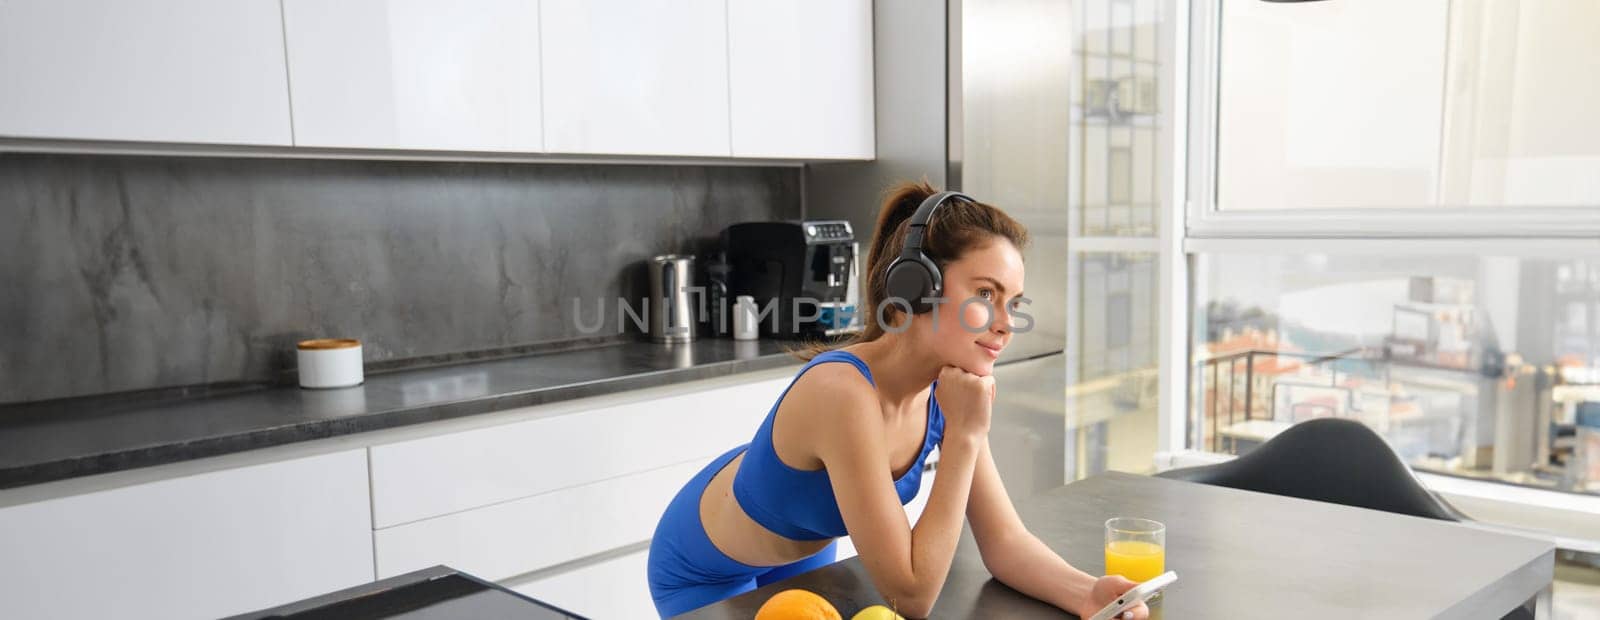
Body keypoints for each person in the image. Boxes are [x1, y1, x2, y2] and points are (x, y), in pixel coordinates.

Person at [647, 181, 1150, 619]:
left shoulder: (946, 391)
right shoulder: (843, 392)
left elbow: (1004, 543)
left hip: (800, 551)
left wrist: (1089, 593)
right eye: (985, 294)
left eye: (1013, 303)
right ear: (917, 287)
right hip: (705, 569)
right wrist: (966, 435)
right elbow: (911, 595)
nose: (1004, 323)